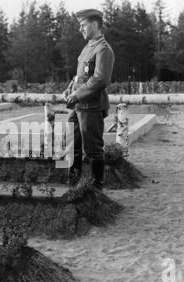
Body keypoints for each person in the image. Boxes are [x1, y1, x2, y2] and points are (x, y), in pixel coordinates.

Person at [63, 9, 115, 191]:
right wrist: (71, 86)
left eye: (83, 25)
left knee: (93, 149)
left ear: (94, 24)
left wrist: (78, 94)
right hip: (78, 106)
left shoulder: (103, 49)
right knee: (71, 144)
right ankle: (73, 184)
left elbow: (100, 78)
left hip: (91, 106)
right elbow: (81, 76)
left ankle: (95, 190)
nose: (80, 29)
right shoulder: (88, 47)